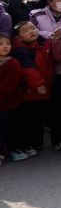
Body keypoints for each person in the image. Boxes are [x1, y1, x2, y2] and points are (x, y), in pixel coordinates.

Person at [30, 0, 61, 150]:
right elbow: (32, 32)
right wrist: (51, 35)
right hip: (45, 64)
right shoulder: (37, 14)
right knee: (53, 103)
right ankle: (56, 139)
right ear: (50, 2)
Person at [11, 21, 54, 159]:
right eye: (25, 30)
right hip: (29, 93)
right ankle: (26, 144)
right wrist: (38, 84)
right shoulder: (20, 50)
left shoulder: (43, 45)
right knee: (26, 120)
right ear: (18, 37)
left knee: (37, 118)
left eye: (33, 28)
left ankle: (35, 143)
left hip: (42, 92)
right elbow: (28, 69)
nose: (31, 31)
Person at [0, 34, 24, 164]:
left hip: (7, 104)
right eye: (1, 44)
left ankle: (2, 154)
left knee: (4, 130)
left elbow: (9, 86)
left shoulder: (12, 63)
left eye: (7, 43)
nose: (5, 46)